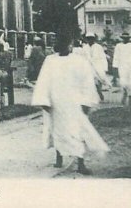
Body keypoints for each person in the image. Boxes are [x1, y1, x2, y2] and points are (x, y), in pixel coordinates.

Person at [31, 35, 108, 175]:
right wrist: (43, 101)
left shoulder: (79, 61)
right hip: (55, 102)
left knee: (77, 131)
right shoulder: (50, 60)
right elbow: (43, 81)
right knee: (57, 130)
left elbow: (86, 82)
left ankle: (80, 163)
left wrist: (86, 101)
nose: (67, 47)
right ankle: (59, 157)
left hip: (74, 102)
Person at [83, 33, 110, 102]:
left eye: (91, 38)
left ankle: (99, 91)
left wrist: (105, 68)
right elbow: (83, 58)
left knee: (99, 80)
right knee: (91, 81)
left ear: (94, 39)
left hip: (98, 65)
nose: (90, 40)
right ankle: (95, 95)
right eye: (88, 39)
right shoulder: (85, 47)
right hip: (88, 66)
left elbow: (103, 57)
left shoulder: (98, 47)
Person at [0, 39, 12, 110]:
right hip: (4, 72)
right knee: (2, 90)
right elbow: (9, 62)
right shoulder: (8, 54)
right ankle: (3, 105)